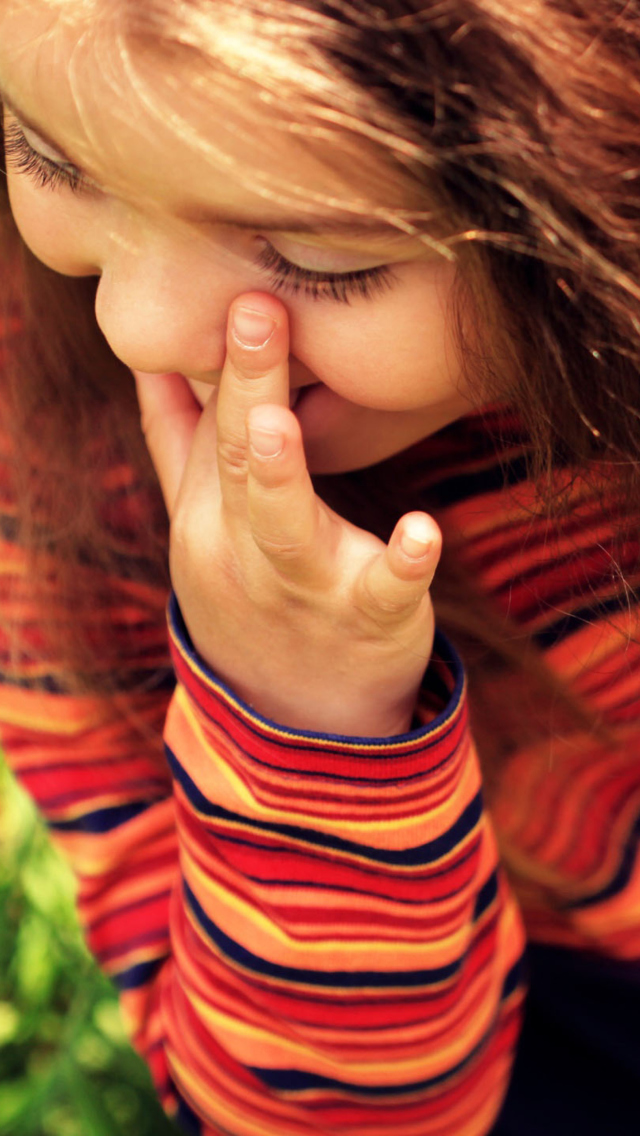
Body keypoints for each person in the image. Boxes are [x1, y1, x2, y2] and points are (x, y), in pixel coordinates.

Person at [0, 0, 639, 1133]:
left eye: (318, 256)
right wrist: (308, 717)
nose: (134, 326)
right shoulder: (52, 453)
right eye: (47, 153)